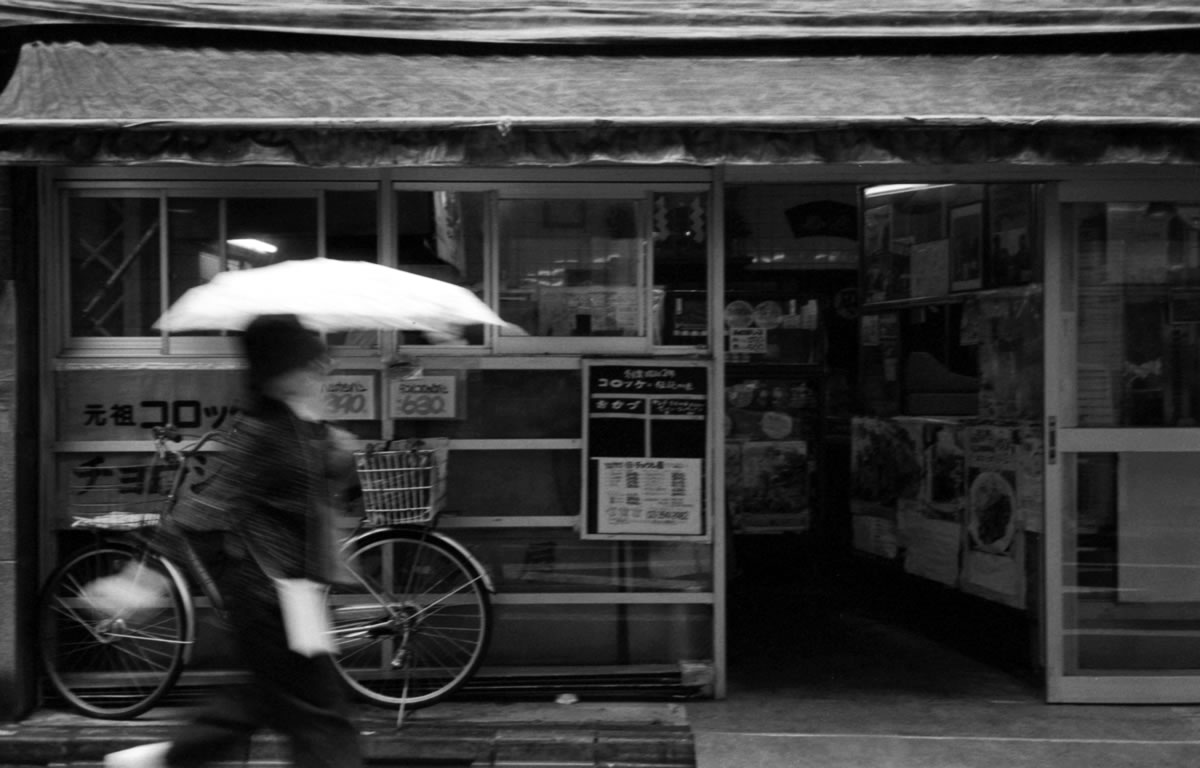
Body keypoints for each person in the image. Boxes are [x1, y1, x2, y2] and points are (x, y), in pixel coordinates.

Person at [106, 314, 363, 768]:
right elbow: (201, 508)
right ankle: (166, 758)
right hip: (267, 596)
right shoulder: (259, 431)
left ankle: (165, 759)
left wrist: (336, 453)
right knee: (322, 717)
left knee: (265, 701)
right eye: (307, 362)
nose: (319, 370)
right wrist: (141, 580)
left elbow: (313, 491)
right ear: (278, 370)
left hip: (296, 595)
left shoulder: (298, 423)